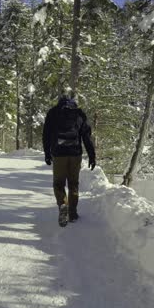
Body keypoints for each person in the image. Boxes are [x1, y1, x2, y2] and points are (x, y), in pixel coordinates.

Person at [42, 93, 96, 226]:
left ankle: (62, 204)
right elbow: (87, 137)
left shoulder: (53, 113)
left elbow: (46, 135)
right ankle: (72, 213)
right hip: (75, 154)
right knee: (73, 184)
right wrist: (92, 155)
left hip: (59, 154)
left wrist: (47, 153)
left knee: (58, 184)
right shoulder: (79, 114)